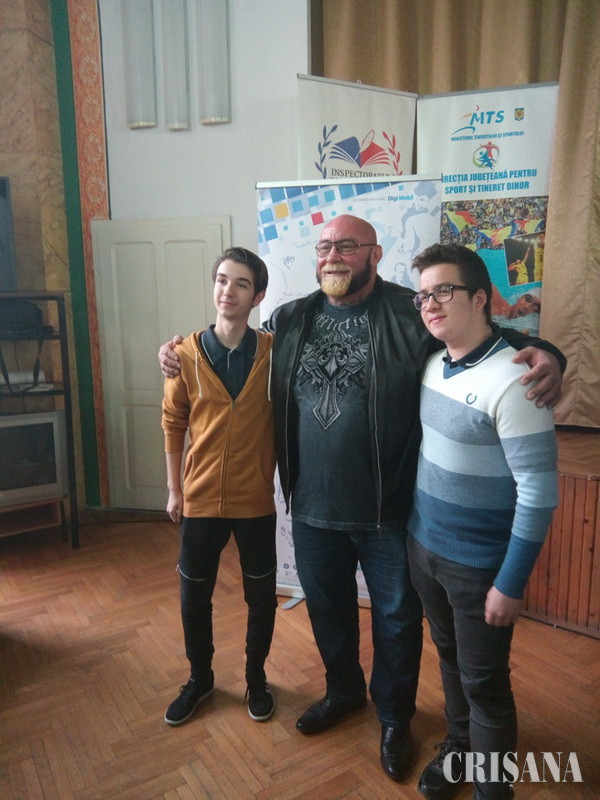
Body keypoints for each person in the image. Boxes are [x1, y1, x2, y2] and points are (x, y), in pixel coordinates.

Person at [158, 215, 564, 782]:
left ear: (374, 254)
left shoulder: (410, 312)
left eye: (347, 246)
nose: (333, 255)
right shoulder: (290, 318)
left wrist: (547, 351)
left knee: (396, 623)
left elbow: (484, 335)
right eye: (325, 246)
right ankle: (343, 691)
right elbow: (231, 340)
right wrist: (175, 350)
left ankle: (395, 718)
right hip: (312, 507)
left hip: (387, 512)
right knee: (327, 611)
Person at [407, 243, 558, 800]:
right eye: (424, 295)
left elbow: (539, 494)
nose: (430, 304)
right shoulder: (433, 364)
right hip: (424, 550)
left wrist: (510, 582)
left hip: (478, 568)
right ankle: (460, 748)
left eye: (443, 291)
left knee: (485, 684)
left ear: (479, 298)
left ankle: (494, 791)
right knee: (449, 660)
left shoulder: (517, 380)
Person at [161, 247, 278, 727]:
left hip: (255, 501)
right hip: (201, 499)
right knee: (194, 598)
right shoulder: (184, 355)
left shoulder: (273, 353)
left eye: (241, 284)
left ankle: (256, 678)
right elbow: (173, 422)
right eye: (222, 280)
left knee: (261, 598)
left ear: (258, 296)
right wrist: (175, 490)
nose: (228, 291)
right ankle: (200, 678)